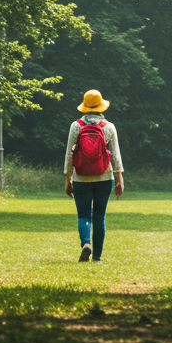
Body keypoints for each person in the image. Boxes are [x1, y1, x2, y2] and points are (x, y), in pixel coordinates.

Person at [64, 89, 124, 262]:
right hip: (104, 178)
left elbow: (69, 155)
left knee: (83, 214)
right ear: (101, 106)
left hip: (80, 178)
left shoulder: (76, 126)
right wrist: (119, 180)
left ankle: (85, 243)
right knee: (99, 216)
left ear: (85, 106)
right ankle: (97, 257)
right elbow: (116, 156)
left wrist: (68, 179)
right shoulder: (109, 127)